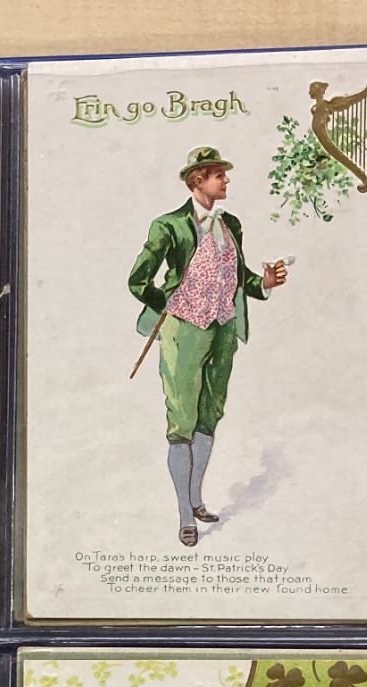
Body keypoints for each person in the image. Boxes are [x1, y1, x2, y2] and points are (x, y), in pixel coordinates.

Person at [127, 147, 289, 548]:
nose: (226, 180)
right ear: (197, 180)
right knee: (181, 422)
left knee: (210, 414)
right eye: (219, 174)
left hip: (223, 328)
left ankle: (196, 498)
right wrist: (170, 303)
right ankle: (185, 515)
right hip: (183, 332)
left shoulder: (231, 223)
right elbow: (138, 280)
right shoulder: (168, 225)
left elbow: (238, 277)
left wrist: (265, 283)